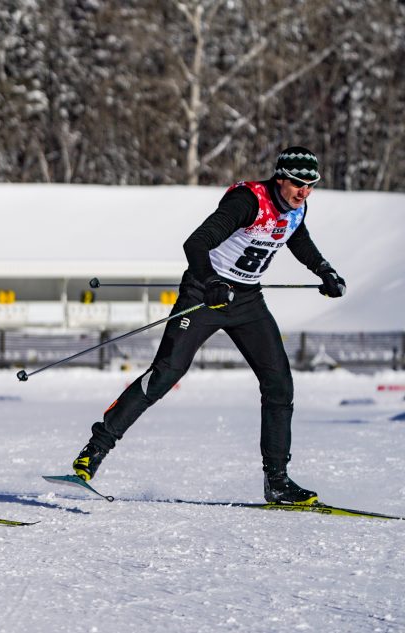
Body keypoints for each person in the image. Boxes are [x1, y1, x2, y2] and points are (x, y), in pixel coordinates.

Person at [70, 146, 347, 505]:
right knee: (165, 374)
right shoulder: (248, 201)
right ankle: (93, 452)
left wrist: (324, 271)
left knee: (279, 382)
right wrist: (211, 281)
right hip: (205, 294)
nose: (304, 192)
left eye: (310, 185)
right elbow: (196, 243)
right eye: (297, 184)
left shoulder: (296, 206)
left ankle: (277, 481)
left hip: (247, 301)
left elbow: (297, 237)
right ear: (280, 177)